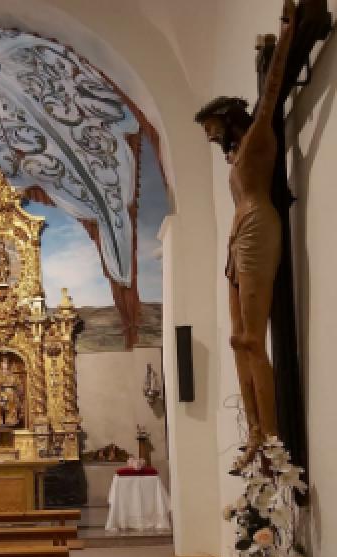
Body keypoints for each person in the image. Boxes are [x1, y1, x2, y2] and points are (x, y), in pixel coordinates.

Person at [194, 0, 297, 473]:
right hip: (238, 237)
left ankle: (272, 434)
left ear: (228, 119)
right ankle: (253, 430)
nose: (212, 138)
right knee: (238, 339)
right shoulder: (237, 155)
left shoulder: (257, 138)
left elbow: (274, 89)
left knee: (253, 339)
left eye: (213, 128)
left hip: (257, 226)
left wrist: (288, 29)